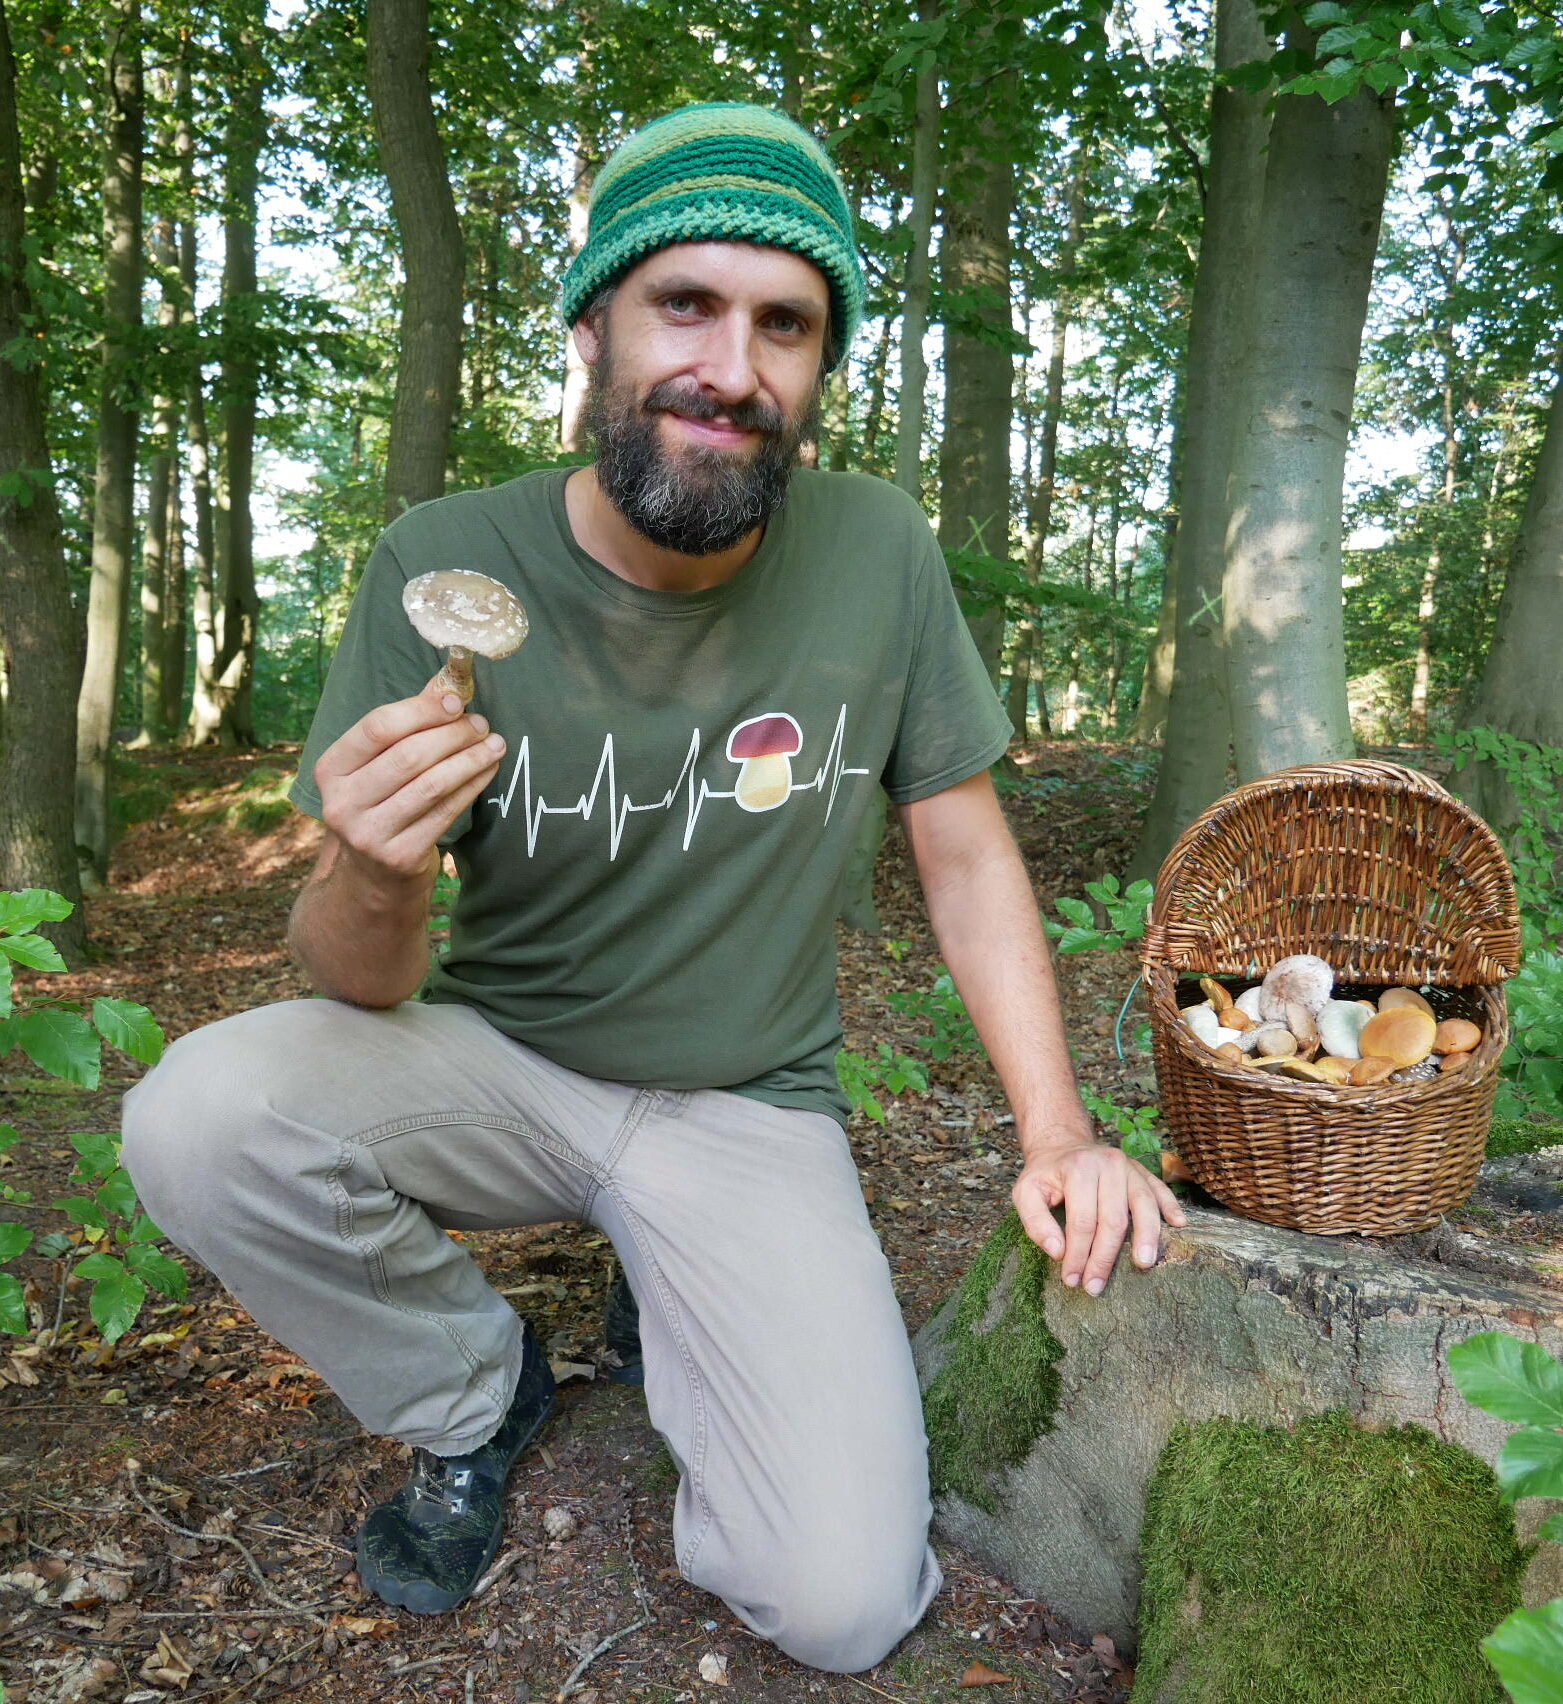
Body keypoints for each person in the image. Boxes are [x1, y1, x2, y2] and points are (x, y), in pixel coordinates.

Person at [121, 102, 1185, 1675]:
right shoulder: (442, 561)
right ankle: (476, 1391)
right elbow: (357, 981)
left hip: (744, 1106)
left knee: (840, 1602)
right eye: (683, 303)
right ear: (591, 329)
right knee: (196, 1116)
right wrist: (372, 860)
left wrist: (1056, 1133)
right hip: (492, 1063)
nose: (730, 367)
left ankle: (671, 1286)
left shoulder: (876, 552)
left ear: (818, 366)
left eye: (784, 325)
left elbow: (962, 852)